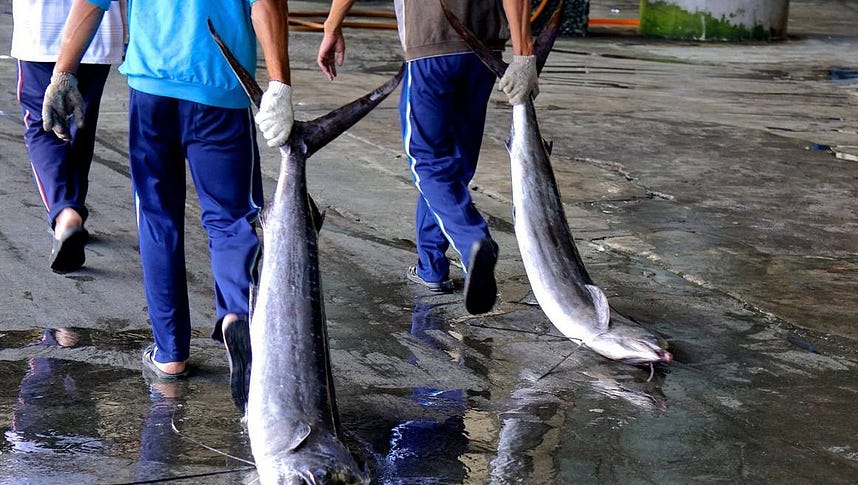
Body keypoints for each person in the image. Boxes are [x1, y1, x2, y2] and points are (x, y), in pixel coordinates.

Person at [41, 0, 296, 410]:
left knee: (158, 218)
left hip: (152, 90)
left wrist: (64, 72)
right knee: (231, 219)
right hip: (220, 89)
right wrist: (280, 83)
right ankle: (235, 314)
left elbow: (92, 2)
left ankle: (171, 353)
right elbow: (266, 4)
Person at [317, 0, 538, 315]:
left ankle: (471, 242)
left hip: (430, 45)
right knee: (454, 165)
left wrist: (331, 25)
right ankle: (431, 267)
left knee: (427, 161)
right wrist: (523, 53)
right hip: (482, 52)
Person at [11, 0, 126, 274]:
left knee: (42, 126)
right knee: (81, 123)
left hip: (42, 30)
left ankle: (65, 213)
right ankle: (74, 211)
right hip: (99, 28)